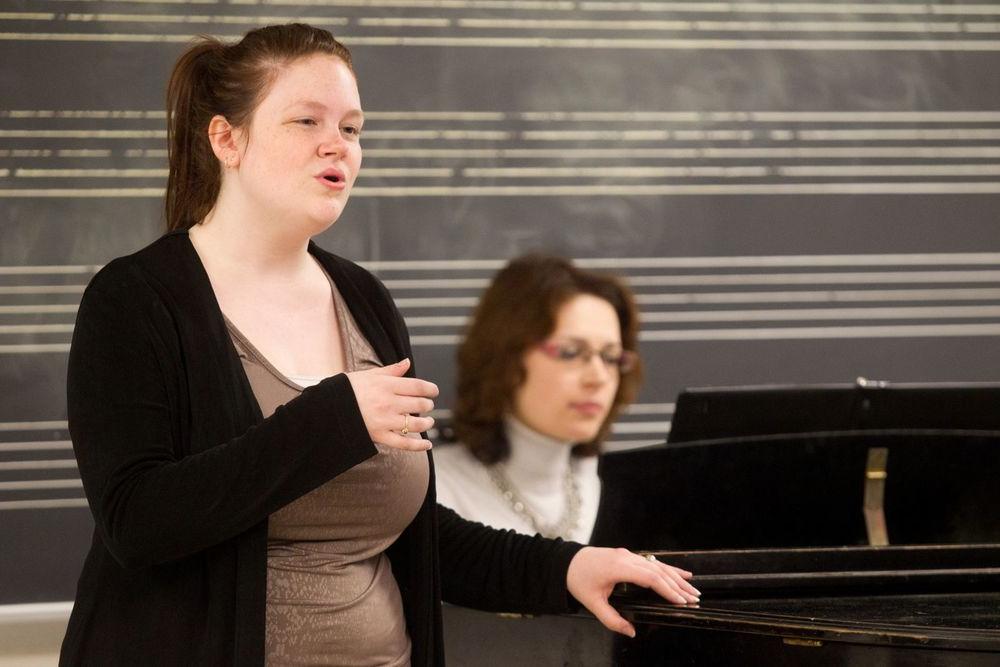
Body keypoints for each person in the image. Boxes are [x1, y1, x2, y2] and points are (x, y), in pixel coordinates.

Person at [59, 24, 699, 666]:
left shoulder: (364, 300)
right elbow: (137, 522)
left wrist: (567, 568)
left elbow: (421, 538)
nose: (335, 146)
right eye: (306, 121)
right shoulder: (135, 300)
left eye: (352, 128)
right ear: (227, 138)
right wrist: (332, 421)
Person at [435, 255, 640, 544]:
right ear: (505, 357)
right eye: (569, 352)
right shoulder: (433, 488)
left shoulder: (615, 488)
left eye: (610, 357)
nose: (599, 378)